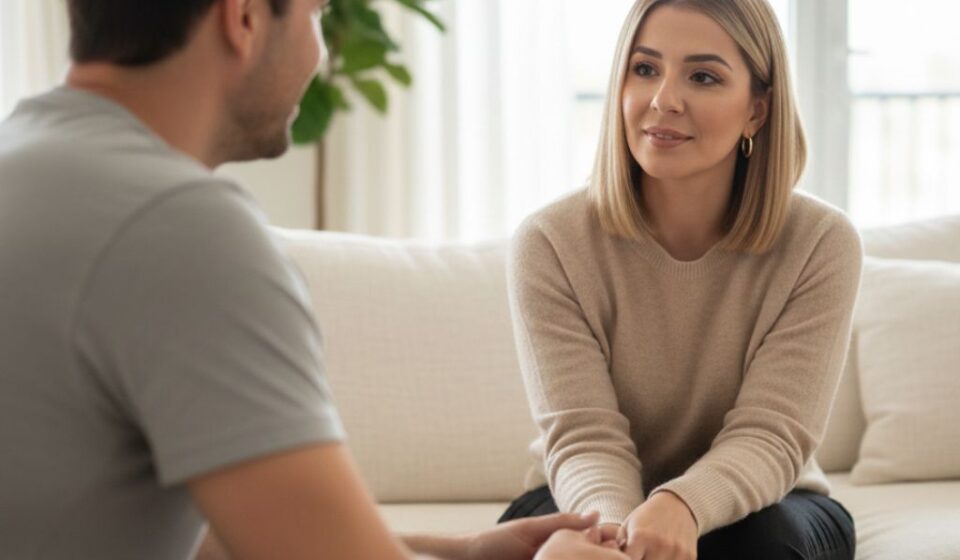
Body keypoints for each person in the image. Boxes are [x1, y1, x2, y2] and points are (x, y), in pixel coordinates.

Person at [0, 1, 631, 559]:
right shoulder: (179, 226)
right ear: (243, 18)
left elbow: (201, 529)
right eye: (317, 15)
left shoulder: (27, 160)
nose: (320, 49)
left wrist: (458, 552)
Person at [500, 0, 862, 559]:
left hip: (763, 504)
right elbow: (584, 438)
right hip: (586, 492)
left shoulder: (820, 243)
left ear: (757, 111)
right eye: (644, 69)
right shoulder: (550, 242)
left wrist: (680, 506)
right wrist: (624, 537)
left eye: (703, 76)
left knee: (767, 547)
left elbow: (772, 434)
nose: (663, 100)